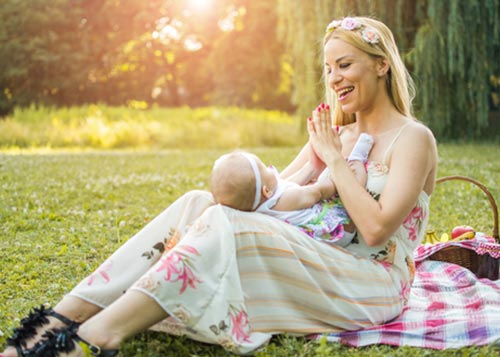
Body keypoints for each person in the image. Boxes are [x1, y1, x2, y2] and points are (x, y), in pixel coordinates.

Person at [2, 16, 438, 357]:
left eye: (345, 65)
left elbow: (377, 230)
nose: (335, 78)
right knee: (199, 203)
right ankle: (61, 318)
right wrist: (247, 186)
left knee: (226, 222)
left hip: (370, 281)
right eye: (329, 68)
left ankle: (100, 334)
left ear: (381, 65)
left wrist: (336, 163)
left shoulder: (412, 139)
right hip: (317, 256)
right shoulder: (332, 131)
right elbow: (273, 197)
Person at [210, 132, 373, 246]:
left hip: (317, 222)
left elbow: (290, 184)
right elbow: (319, 191)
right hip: (338, 230)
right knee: (348, 178)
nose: (269, 167)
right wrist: (338, 173)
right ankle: (359, 156)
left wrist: (312, 166)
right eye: (263, 168)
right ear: (266, 191)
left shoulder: (264, 201)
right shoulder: (288, 200)